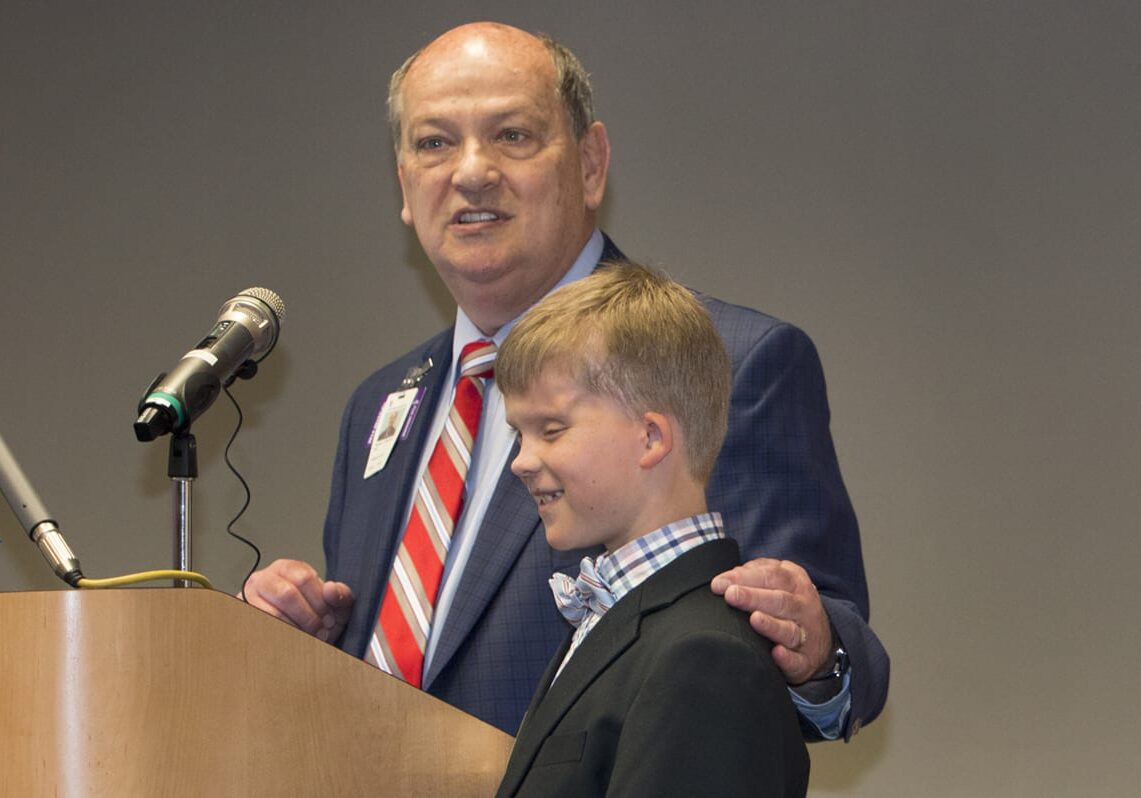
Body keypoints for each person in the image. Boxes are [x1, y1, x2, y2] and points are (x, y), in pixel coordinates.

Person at [242, 21, 888, 740]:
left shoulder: (728, 361)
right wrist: (317, 639)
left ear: (590, 163)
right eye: (434, 143)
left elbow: (835, 657)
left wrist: (814, 650)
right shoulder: (380, 403)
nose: (471, 171)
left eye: (512, 135)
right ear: (404, 185)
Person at [493, 262, 809, 797]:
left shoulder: (706, 658)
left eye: (551, 430)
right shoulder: (618, 622)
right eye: (518, 435)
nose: (521, 462)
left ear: (651, 438)